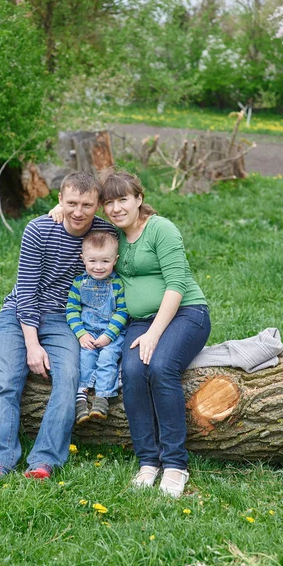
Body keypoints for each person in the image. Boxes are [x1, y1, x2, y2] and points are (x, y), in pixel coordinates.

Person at [0, 171, 114, 481]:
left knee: (69, 377)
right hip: (19, 314)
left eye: (86, 204)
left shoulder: (104, 233)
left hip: (63, 319)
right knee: (5, 380)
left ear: (98, 205)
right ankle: (1, 458)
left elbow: (136, 222)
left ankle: (44, 460)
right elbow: (26, 292)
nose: (78, 212)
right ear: (59, 200)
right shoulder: (39, 229)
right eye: (71, 203)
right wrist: (32, 345)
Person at [100, 171, 211, 498]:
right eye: (109, 202)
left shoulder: (161, 229)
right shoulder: (114, 234)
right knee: (133, 371)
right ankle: (148, 461)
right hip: (139, 320)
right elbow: (78, 216)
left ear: (138, 199)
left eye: (123, 199)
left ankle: (175, 465)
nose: (116, 208)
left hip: (186, 314)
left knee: (162, 367)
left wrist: (154, 335)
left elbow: (177, 284)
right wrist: (58, 210)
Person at [66, 231, 128, 424]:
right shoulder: (79, 283)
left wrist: (109, 335)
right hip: (88, 333)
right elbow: (72, 310)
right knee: (84, 359)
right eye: (93, 261)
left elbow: (123, 311)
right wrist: (81, 334)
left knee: (107, 359)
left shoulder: (117, 284)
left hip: (112, 334)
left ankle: (102, 397)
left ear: (115, 260)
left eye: (105, 261)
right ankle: (81, 399)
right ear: (83, 259)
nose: (99, 267)